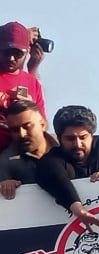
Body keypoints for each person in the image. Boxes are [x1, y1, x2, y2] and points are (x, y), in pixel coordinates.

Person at [35, 105, 99, 228]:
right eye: (70, 139)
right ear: (59, 139)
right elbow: (54, 177)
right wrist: (78, 209)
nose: (77, 144)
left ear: (92, 135)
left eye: (83, 137)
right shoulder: (52, 160)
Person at [0, 21, 46, 154]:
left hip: (21, 153)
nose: (11, 58)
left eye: (18, 53)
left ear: (28, 51)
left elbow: (43, 124)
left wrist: (28, 108)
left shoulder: (33, 82)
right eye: (6, 52)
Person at [0, 100, 56, 200]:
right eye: (15, 130)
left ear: (43, 125)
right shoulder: (5, 161)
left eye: (27, 127)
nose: (22, 134)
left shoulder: (67, 146)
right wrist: (4, 185)